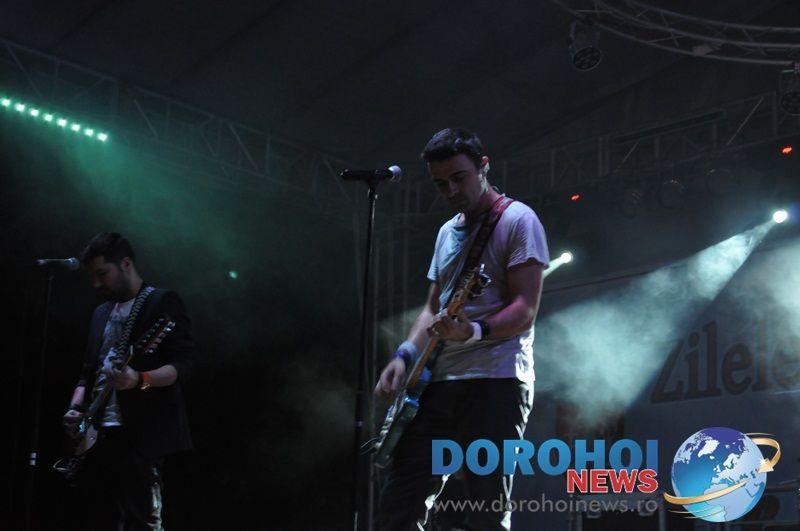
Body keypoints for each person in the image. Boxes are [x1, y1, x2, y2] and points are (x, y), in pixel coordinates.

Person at [375, 128, 549, 530]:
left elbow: (525, 309)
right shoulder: (445, 232)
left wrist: (472, 332)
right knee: (399, 502)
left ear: (483, 167)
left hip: (497, 382)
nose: (451, 191)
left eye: (459, 178)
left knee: (486, 511)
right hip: (437, 385)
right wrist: (404, 355)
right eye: (440, 184)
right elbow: (432, 309)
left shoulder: (518, 220)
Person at [62, 232, 194, 531]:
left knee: (142, 522)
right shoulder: (100, 312)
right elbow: (87, 372)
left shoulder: (161, 302)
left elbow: (183, 365)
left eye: (102, 274)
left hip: (140, 435)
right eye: (93, 276)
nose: (97, 284)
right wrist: (75, 408)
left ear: (125, 264)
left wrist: (140, 379)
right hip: (95, 434)